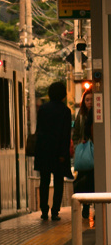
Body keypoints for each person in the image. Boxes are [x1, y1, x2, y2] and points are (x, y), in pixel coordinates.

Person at [34, 81, 72, 221]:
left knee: (44, 181)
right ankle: (55, 211)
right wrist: (63, 154)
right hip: (58, 152)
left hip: (43, 151)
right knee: (58, 182)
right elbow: (65, 135)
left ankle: (44, 210)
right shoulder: (65, 111)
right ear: (63, 95)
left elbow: (39, 130)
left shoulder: (43, 109)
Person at [72, 88, 95, 222]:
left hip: (95, 154)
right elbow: (75, 134)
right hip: (85, 153)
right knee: (83, 180)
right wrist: (78, 145)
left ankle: (95, 205)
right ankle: (85, 206)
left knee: (93, 180)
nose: (90, 102)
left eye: (92, 99)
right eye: (87, 100)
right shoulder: (80, 115)